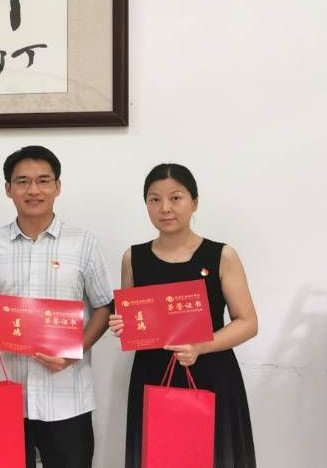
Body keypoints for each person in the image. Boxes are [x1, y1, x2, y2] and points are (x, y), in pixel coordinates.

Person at [108, 163, 257, 467]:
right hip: (152, 375)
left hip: (212, 373)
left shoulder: (221, 255)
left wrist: (200, 346)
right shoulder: (133, 258)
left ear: (194, 202)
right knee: (158, 455)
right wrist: (122, 324)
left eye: (176, 198)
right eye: (155, 199)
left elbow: (247, 322)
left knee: (212, 456)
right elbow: (134, 322)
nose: (165, 208)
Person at [0, 145, 113, 468]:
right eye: (22, 181)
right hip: (7, 393)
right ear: (8, 189)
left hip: (68, 397)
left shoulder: (84, 243)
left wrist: (74, 351)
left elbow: (105, 307)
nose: (33, 190)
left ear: (58, 186)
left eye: (43, 180)